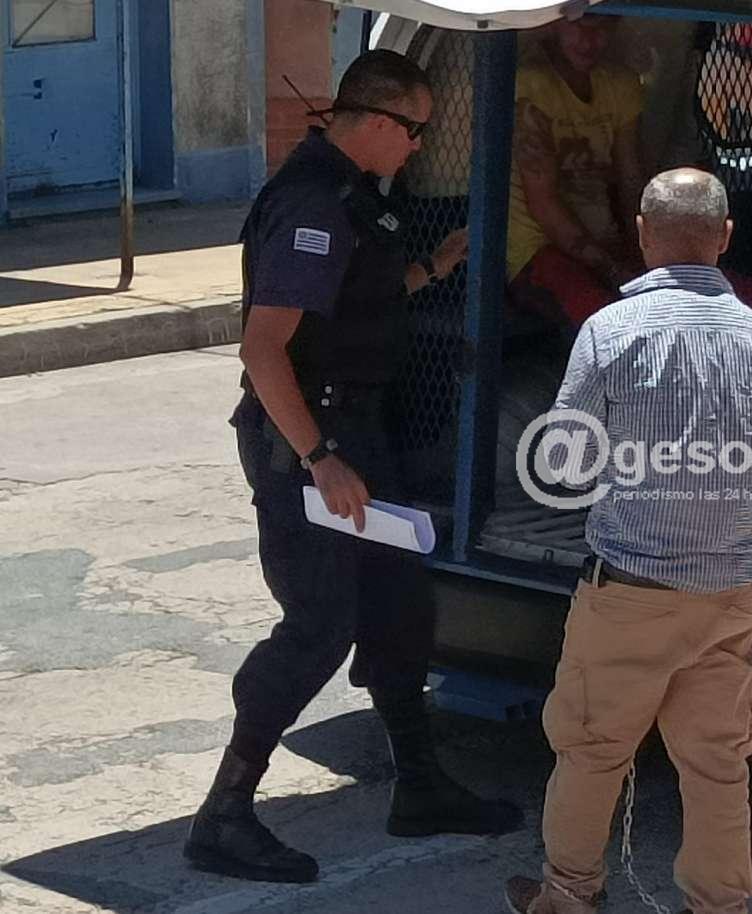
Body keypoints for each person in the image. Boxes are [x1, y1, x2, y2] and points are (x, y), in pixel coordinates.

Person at [183, 50, 521, 885]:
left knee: (400, 607)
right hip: (308, 439)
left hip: (357, 430)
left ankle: (420, 785)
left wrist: (434, 267)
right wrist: (320, 459)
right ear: (374, 120)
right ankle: (224, 814)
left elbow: (354, 299)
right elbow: (264, 350)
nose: (418, 147)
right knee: (319, 625)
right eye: (414, 130)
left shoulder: (353, 194)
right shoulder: (313, 204)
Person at [504, 168, 752, 914]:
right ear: (724, 237)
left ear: (642, 234)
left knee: (592, 749)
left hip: (630, 591)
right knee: (718, 764)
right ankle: (719, 906)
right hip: (730, 596)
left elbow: (567, 461)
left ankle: (569, 897)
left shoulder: (610, 332)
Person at [506, 13, 647, 331]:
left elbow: (631, 181)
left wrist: (644, 254)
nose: (589, 39)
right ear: (555, 22)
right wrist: (612, 269)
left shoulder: (621, 83)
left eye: (601, 26)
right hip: (538, 251)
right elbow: (543, 204)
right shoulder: (529, 83)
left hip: (606, 242)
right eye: (578, 24)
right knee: (611, 324)